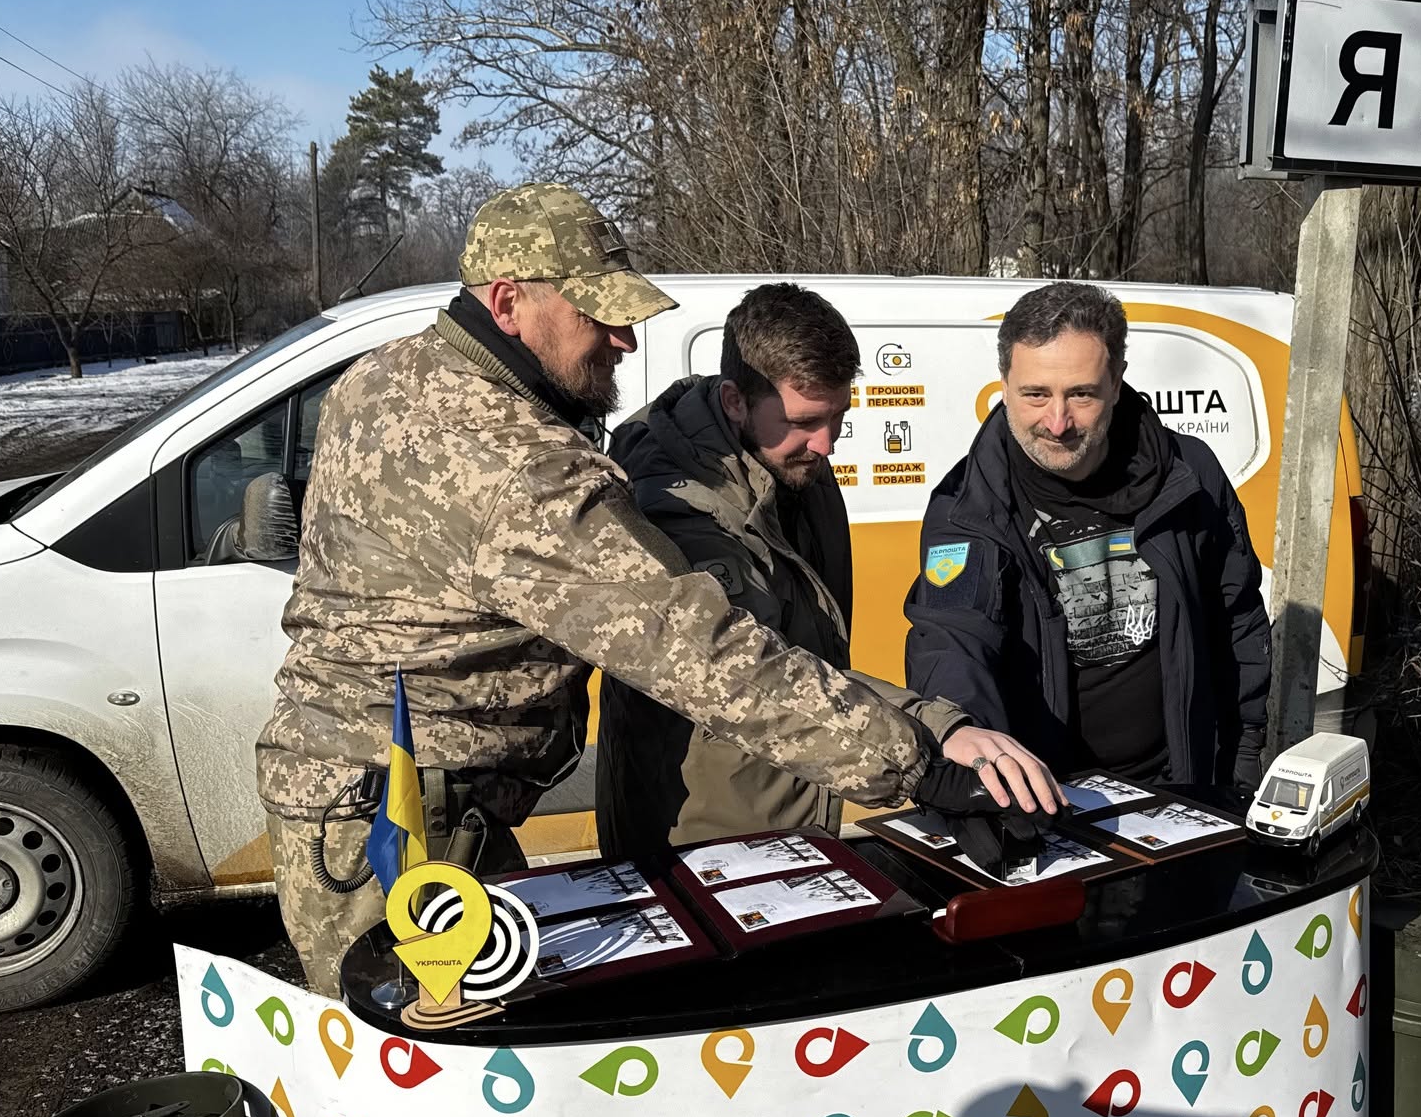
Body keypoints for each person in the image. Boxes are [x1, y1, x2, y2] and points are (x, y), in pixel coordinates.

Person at [256, 184, 1058, 995]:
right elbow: (698, 650)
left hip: (379, 804)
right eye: (597, 316)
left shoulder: (389, 374)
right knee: (435, 1083)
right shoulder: (515, 464)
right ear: (507, 302)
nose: (624, 340)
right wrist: (919, 759)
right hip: (403, 834)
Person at [598, 283, 1014, 859]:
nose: (827, 445)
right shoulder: (680, 511)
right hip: (707, 834)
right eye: (805, 421)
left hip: (797, 797)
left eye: (838, 417)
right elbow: (768, 663)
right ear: (734, 400)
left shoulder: (789, 458)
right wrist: (935, 730)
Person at [904, 281, 1272, 799]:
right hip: (1044, 796)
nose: (1057, 423)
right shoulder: (969, 505)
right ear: (1004, 383)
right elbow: (952, 640)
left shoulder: (1189, 475)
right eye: (1035, 394)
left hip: (1182, 787)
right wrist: (969, 746)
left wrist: (1246, 757)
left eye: (1081, 394)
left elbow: (1237, 619)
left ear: (1117, 383)